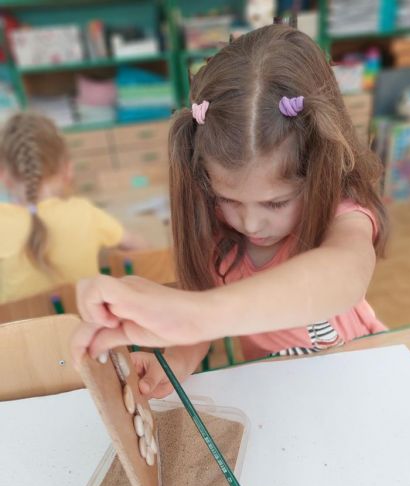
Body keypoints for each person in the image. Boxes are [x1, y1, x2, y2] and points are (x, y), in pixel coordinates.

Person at [72, 24, 388, 399]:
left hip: (362, 371)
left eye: (276, 203)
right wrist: (174, 362)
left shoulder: (343, 212)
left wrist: (197, 313)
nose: (250, 223)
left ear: (320, 171)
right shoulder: (214, 223)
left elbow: (345, 273)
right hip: (277, 389)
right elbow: (201, 317)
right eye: (229, 199)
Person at [0, 112, 146, 303]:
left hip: (19, 323)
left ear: (4, 176)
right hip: (85, 319)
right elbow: (141, 248)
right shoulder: (85, 212)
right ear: (67, 170)